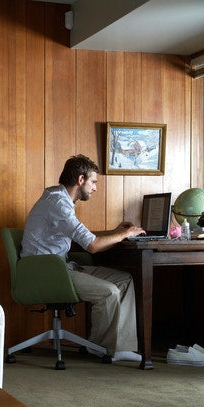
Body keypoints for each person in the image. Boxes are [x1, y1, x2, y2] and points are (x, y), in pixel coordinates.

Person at [21, 154, 145, 363]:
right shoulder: (58, 203)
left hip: (59, 266)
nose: (95, 188)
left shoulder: (58, 198)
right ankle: (100, 347)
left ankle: (120, 346)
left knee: (124, 281)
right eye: (93, 181)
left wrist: (115, 232)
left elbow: (86, 236)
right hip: (46, 272)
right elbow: (93, 246)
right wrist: (124, 235)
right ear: (80, 180)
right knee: (109, 291)